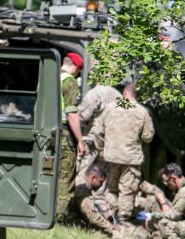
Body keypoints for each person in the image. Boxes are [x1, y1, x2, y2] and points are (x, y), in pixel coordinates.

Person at [83, 82, 154, 221]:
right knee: (127, 190)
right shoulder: (142, 112)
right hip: (131, 159)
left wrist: (102, 150)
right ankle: (123, 221)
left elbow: (98, 132)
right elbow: (148, 137)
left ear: (125, 93)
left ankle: (109, 216)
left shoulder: (109, 108)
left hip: (111, 157)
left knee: (111, 189)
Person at [74, 83, 120, 187]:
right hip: (111, 144)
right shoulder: (118, 96)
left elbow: (81, 117)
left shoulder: (95, 93)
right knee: (102, 177)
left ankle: (82, 198)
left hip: (93, 141)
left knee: (84, 175)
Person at [56, 52, 84, 220]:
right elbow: (71, 114)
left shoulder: (47, 77)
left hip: (45, 131)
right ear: (75, 67)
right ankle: (59, 217)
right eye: (78, 71)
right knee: (64, 176)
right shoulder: (69, 81)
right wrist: (80, 140)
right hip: (64, 133)